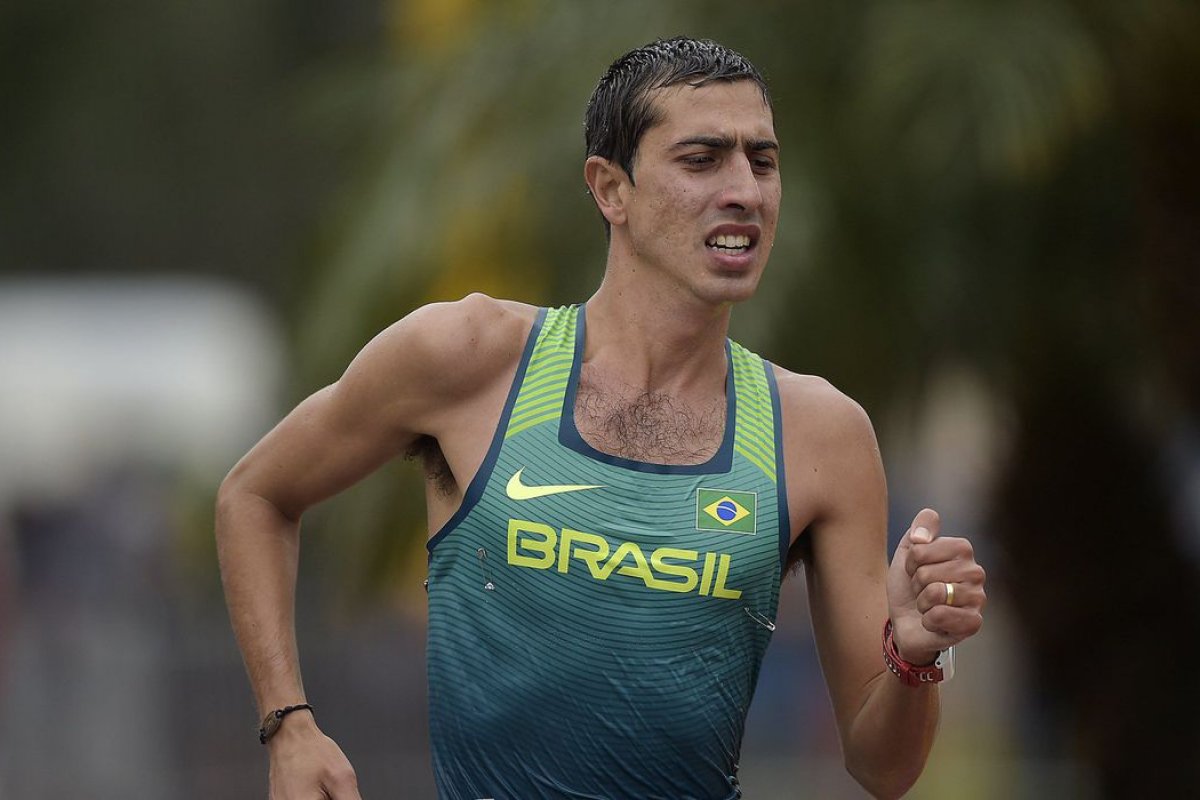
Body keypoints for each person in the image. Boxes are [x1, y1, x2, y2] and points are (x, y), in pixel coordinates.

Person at [216, 36, 986, 800]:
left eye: (763, 160)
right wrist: (288, 725)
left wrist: (914, 659)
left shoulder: (820, 434)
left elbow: (884, 768)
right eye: (701, 159)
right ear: (609, 189)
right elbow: (254, 495)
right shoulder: (469, 359)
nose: (745, 191)